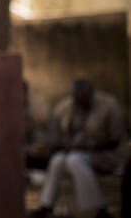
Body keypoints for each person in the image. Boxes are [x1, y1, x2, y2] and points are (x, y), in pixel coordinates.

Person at [28, 79, 125, 218]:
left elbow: (116, 140)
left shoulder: (109, 105)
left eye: (84, 98)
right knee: (57, 159)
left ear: (91, 93)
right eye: (77, 99)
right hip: (73, 155)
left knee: (74, 159)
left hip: (105, 156)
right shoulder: (65, 107)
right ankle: (45, 206)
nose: (80, 103)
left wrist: (89, 145)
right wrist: (48, 146)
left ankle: (99, 209)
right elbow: (56, 138)